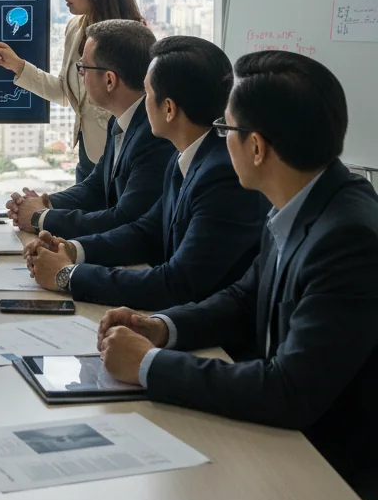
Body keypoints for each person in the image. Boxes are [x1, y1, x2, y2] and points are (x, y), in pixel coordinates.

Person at [98, 51, 378, 496]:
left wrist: (150, 365)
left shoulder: (347, 239)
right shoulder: (302, 199)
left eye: (226, 129)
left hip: (330, 478)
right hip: (281, 443)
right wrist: (160, 328)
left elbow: (290, 390)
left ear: (256, 147)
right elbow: (244, 298)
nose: (219, 140)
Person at [26, 37, 269, 309]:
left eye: (148, 94)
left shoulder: (221, 175)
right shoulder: (189, 156)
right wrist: (72, 250)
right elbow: (145, 232)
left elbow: (176, 283)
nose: (143, 104)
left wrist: (68, 275)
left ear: (168, 109)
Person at [0, 0, 142, 182]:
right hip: (87, 157)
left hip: (122, 163)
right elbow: (66, 92)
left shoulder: (134, 39)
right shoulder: (75, 28)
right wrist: (17, 65)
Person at [5, 19, 173, 239]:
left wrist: (40, 218)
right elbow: (96, 186)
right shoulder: (122, 119)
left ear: (110, 80)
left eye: (83, 68)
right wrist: (46, 203)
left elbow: (124, 219)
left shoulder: (153, 135)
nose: (80, 76)